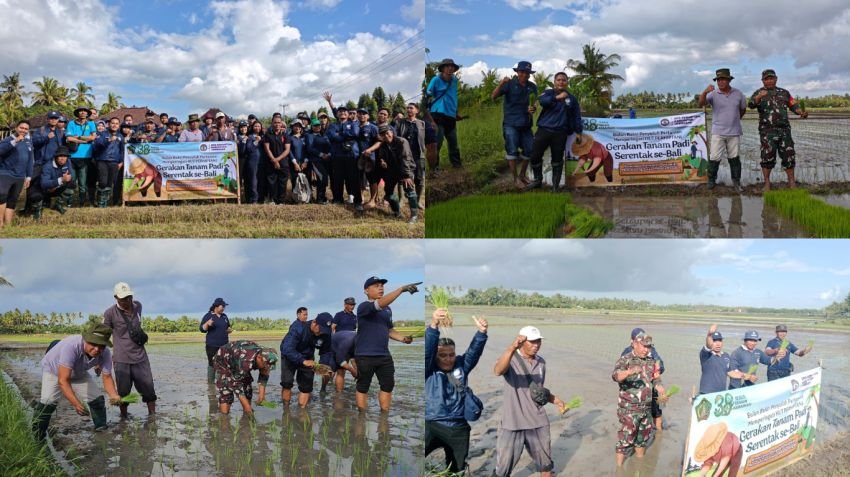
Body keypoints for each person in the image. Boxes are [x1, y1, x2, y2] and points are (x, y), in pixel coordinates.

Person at [492, 326, 566, 477]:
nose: (536, 345)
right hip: (513, 423)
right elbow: (498, 371)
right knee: (502, 470)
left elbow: (537, 390)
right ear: (522, 342)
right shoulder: (510, 359)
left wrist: (555, 400)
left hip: (537, 421)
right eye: (532, 342)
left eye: (538, 341)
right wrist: (511, 348)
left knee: (546, 465)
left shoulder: (541, 362)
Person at [32, 323, 121, 440]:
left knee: (97, 399)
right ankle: (38, 436)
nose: (97, 349)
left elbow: (107, 377)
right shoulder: (72, 346)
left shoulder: (105, 353)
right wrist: (76, 404)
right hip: (54, 371)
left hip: (79, 372)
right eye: (93, 344)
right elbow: (63, 380)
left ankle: (101, 429)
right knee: (48, 402)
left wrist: (114, 395)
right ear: (86, 339)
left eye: (101, 346)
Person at [425, 308, 488, 474]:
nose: (448, 359)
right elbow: (427, 351)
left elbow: (473, 353)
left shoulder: (461, 366)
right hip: (432, 424)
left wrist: (481, 333)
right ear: (436, 356)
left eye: (451, 354)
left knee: (456, 469)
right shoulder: (428, 369)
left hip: (458, 427)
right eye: (443, 355)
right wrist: (434, 325)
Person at [355, 276, 419, 412]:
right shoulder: (364, 307)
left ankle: (384, 416)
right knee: (363, 386)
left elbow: (389, 330)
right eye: (376, 286)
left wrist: (403, 339)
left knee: (388, 385)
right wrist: (401, 289)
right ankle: (361, 415)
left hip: (384, 355)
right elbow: (379, 304)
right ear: (366, 291)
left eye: (382, 285)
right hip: (365, 355)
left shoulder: (387, 309)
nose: (380, 288)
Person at [102, 282, 157, 418]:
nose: (127, 301)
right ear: (116, 297)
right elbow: (104, 336)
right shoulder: (110, 313)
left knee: (149, 389)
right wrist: (99, 361)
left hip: (140, 357)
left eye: (129, 297)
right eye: (123, 298)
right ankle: (124, 417)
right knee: (124, 392)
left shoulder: (138, 306)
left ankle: (152, 416)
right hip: (122, 359)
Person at [748, 69, 809, 191]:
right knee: (767, 157)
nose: (769, 80)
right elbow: (751, 105)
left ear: (776, 79)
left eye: (771, 78)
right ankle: (767, 184)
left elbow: (793, 105)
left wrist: (800, 113)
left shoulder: (784, 93)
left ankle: (792, 183)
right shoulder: (758, 92)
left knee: (789, 156)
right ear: (763, 80)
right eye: (766, 79)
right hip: (767, 132)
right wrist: (759, 96)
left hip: (784, 131)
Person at [612, 331, 663, 467]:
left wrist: (659, 386)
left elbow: (656, 378)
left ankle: (639, 465)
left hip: (646, 409)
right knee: (625, 440)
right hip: (629, 409)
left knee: (643, 439)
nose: (646, 350)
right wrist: (629, 371)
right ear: (635, 344)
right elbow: (616, 376)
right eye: (644, 346)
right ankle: (619, 470)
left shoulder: (651, 361)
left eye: (649, 347)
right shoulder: (625, 359)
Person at [525, 72, 582, 192]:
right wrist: (558, 97)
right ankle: (537, 180)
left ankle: (555, 187)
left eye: (564, 80)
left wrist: (578, 132)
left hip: (560, 133)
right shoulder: (548, 93)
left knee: (557, 160)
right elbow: (543, 101)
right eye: (559, 80)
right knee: (534, 156)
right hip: (544, 130)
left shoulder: (572, 99)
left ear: (567, 82)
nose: (561, 82)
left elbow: (576, 116)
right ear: (555, 82)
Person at [698, 68, 748, 191]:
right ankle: (711, 180)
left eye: (723, 79)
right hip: (718, 132)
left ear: (729, 80)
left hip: (734, 132)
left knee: (734, 158)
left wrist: (735, 119)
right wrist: (704, 92)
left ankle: (736, 182)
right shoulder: (713, 94)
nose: (720, 82)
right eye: (718, 80)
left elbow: (742, 109)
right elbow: (701, 103)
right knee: (714, 157)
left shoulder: (738, 94)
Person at [492, 60, 537, 187]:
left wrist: (533, 109)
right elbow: (493, 96)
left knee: (529, 149)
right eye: (522, 72)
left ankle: (522, 175)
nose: (525, 75)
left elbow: (534, 104)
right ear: (517, 72)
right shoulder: (509, 84)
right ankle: (515, 178)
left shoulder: (532, 86)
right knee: (512, 150)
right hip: (511, 123)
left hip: (526, 124)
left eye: (527, 72)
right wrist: (501, 84)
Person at [213, 340, 277, 415]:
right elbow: (236, 386)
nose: (267, 368)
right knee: (227, 392)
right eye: (266, 365)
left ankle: (246, 415)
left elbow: (264, 374)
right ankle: (224, 418)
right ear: (259, 358)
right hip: (223, 361)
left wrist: (261, 396)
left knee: (247, 386)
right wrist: (247, 407)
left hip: (238, 359)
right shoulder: (245, 362)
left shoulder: (266, 355)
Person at [280, 307, 325, 407]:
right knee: (287, 383)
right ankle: (286, 409)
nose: (321, 333)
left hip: (307, 356)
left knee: (306, 386)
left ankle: (302, 411)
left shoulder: (324, 333)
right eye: (320, 330)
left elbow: (326, 350)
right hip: (289, 355)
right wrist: (302, 360)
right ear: (314, 323)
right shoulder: (297, 328)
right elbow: (287, 349)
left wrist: (326, 367)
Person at [621, 328, 665, 429]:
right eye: (639, 340)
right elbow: (619, 374)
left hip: (650, 386)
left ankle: (659, 434)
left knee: (656, 411)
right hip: (634, 391)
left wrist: (657, 370)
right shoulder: (626, 353)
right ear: (632, 341)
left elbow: (660, 366)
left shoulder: (651, 350)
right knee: (632, 417)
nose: (645, 347)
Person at [376, 125, 419, 223]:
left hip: (405, 169)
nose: (386, 136)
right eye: (383, 134)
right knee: (389, 192)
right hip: (391, 171)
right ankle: (397, 213)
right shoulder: (382, 146)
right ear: (381, 136)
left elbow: (406, 159)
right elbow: (382, 158)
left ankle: (414, 216)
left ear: (391, 132)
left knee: (410, 191)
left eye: (387, 133)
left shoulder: (401, 141)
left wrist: (407, 175)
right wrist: (382, 162)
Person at [26, 110, 65, 216]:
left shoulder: (60, 132)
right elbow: (33, 142)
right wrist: (46, 138)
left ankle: (46, 205)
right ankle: (28, 207)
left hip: (53, 163)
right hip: (40, 162)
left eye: (55, 118)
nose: (53, 120)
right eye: (51, 118)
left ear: (58, 120)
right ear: (47, 119)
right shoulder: (41, 130)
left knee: (49, 183)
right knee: (33, 183)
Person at [426, 58, 462, 169]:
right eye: (447, 66)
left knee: (453, 142)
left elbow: (453, 97)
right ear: (443, 68)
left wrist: (456, 112)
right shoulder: (436, 80)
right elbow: (428, 96)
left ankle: (456, 164)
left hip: (450, 115)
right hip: (438, 114)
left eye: (452, 66)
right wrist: (430, 119)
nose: (450, 68)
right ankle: (435, 167)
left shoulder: (455, 81)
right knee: (438, 141)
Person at [0, 120, 34, 227]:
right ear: (16, 128)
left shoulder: (28, 142)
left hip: (20, 175)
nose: (23, 130)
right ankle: (0, 223)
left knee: (13, 199)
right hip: (6, 173)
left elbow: (30, 160)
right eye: (21, 128)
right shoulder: (7, 140)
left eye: (26, 129)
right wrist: (15, 142)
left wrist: (28, 176)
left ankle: (8, 225)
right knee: (2, 196)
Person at [394, 103, 427, 209]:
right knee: (402, 177)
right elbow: (395, 136)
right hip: (404, 155)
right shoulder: (400, 122)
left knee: (420, 179)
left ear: (417, 111)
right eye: (407, 108)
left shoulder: (422, 123)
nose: (408, 110)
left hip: (419, 155)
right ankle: (401, 200)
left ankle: (417, 201)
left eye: (411, 108)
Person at [65, 106, 97, 206]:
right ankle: (69, 203)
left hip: (86, 156)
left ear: (87, 114)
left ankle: (82, 203)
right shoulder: (71, 123)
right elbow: (69, 138)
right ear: (77, 113)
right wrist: (84, 140)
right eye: (80, 111)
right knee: (71, 182)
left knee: (83, 183)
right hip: (72, 156)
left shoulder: (91, 124)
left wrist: (78, 137)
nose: (82, 113)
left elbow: (93, 137)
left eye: (84, 111)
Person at [699, 324, 744, 395]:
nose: (718, 344)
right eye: (714, 341)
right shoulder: (706, 355)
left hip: (721, 394)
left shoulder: (726, 356)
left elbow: (729, 372)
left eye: (719, 341)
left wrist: (744, 376)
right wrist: (709, 334)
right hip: (706, 393)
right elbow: (708, 345)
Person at [92, 117, 126, 208]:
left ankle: (104, 203)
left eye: (116, 123)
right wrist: (108, 140)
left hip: (114, 162)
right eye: (112, 123)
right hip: (102, 161)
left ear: (119, 125)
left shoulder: (120, 136)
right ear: (108, 124)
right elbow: (96, 146)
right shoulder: (102, 134)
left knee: (109, 184)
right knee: (102, 182)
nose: (114, 125)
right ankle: (100, 203)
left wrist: (121, 162)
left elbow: (122, 150)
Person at [36, 146, 76, 215]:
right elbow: (44, 183)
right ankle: (39, 208)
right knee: (36, 195)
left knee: (71, 185)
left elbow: (71, 175)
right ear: (56, 157)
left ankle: (58, 204)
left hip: (56, 187)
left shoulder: (68, 162)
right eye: (60, 156)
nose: (63, 158)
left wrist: (67, 179)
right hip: (44, 189)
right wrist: (57, 182)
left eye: (65, 156)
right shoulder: (47, 166)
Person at [200, 297, 233, 380]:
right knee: (212, 363)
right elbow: (202, 329)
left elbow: (227, 327)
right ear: (216, 306)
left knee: (223, 364)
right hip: (212, 345)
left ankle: (220, 383)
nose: (224, 308)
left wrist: (229, 330)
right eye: (222, 306)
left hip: (224, 345)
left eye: (224, 307)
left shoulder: (224, 316)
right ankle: (211, 383)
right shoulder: (208, 316)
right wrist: (207, 324)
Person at [262, 115, 291, 204]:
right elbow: (267, 149)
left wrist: (277, 160)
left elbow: (287, 150)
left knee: (282, 183)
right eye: (275, 122)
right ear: (272, 123)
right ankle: (273, 200)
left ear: (281, 123)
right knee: (272, 182)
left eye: (279, 122)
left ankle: (281, 201)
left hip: (283, 163)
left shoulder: (285, 135)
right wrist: (273, 160)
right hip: (271, 162)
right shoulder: (267, 135)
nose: (277, 124)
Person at [305, 118, 331, 204]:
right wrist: (321, 154)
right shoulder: (310, 136)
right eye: (315, 125)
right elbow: (309, 148)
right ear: (311, 126)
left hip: (325, 160)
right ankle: (319, 198)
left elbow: (329, 146)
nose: (317, 127)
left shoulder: (324, 135)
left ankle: (323, 197)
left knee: (324, 178)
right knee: (322, 177)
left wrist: (328, 154)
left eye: (319, 125)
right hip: (315, 160)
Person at [237, 120, 262, 204]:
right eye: (241, 127)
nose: (243, 128)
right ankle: (238, 199)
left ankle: (248, 199)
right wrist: (243, 142)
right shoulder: (237, 137)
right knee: (240, 180)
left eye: (245, 127)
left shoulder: (249, 136)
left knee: (248, 180)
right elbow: (242, 151)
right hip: (240, 161)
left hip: (249, 161)